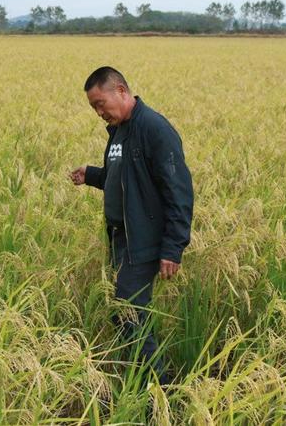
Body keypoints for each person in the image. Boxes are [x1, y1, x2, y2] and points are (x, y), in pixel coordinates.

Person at [69, 66, 194, 386]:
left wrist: (173, 247)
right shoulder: (119, 131)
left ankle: (158, 390)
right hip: (121, 236)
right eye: (93, 107)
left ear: (121, 91)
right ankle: (141, 377)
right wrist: (92, 175)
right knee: (125, 310)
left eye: (100, 103)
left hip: (144, 240)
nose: (98, 112)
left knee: (130, 312)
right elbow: (124, 179)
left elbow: (178, 190)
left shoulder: (154, 129)